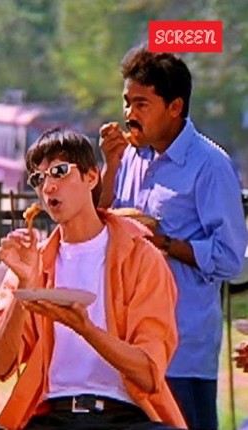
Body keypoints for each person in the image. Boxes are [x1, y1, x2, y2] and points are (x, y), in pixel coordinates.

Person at [0, 128, 186, 430]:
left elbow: (148, 374)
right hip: (52, 416)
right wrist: (23, 287)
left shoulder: (141, 258)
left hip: (125, 417)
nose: (48, 186)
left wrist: (85, 328)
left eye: (59, 172)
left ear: (91, 177)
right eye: (38, 179)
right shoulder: (34, 261)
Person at [98, 46, 247, 430]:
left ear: (175, 107)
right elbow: (97, 225)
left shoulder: (210, 165)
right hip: (126, 346)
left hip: (181, 351)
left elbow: (231, 259)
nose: (129, 114)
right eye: (127, 102)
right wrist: (110, 167)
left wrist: (164, 243)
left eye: (142, 104)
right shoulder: (129, 158)